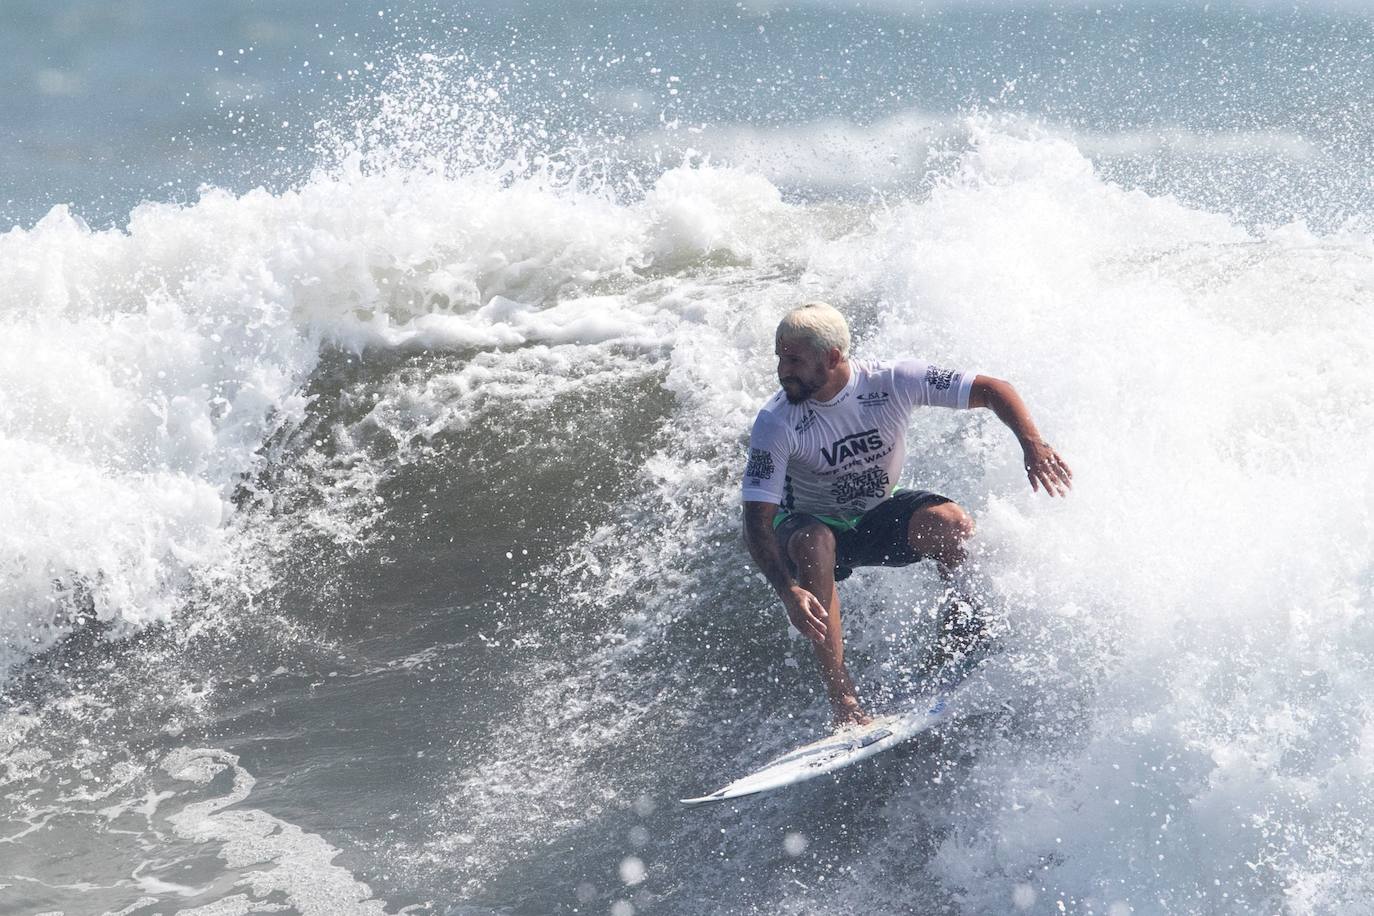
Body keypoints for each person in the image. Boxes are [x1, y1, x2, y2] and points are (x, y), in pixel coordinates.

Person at [741, 302, 1072, 727]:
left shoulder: (893, 380)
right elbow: (756, 521)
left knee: (953, 525)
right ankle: (846, 706)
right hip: (805, 528)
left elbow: (992, 388)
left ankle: (961, 647)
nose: (783, 370)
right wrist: (787, 590)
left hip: (873, 517)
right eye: (779, 358)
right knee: (815, 541)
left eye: (794, 360)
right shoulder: (776, 421)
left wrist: (1032, 443)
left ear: (833, 358)